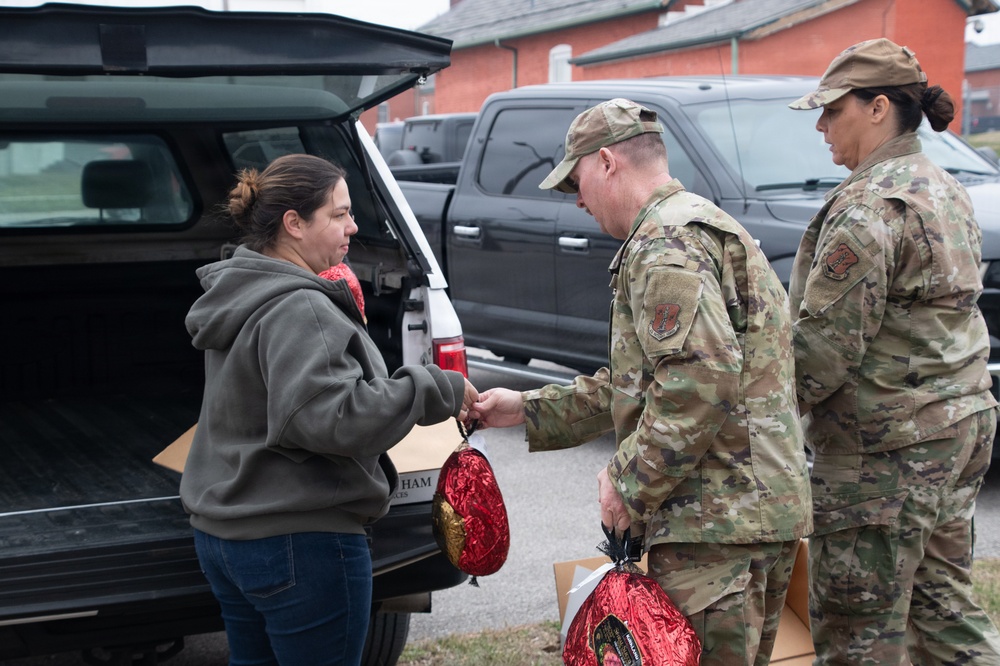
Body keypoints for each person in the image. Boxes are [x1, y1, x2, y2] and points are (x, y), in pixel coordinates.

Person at [471, 98, 812, 665]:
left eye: (575, 181)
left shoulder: (664, 244)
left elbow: (697, 379)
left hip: (712, 528)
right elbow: (647, 383)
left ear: (607, 161)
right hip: (749, 515)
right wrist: (526, 408)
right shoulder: (704, 224)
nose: (575, 199)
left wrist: (629, 482)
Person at [179, 154, 477, 665]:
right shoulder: (301, 306)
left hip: (225, 536)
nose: (353, 226)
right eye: (339, 214)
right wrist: (435, 387)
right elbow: (334, 419)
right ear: (294, 223)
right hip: (300, 541)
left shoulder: (240, 290)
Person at [787, 38, 1000, 665]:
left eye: (833, 110)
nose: (822, 126)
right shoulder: (946, 187)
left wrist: (742, 425)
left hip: (883, 456)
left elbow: (819, 354)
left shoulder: (868, 205)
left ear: (879, 107)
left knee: (859, 634)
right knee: (944, 610)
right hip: (957, 430)